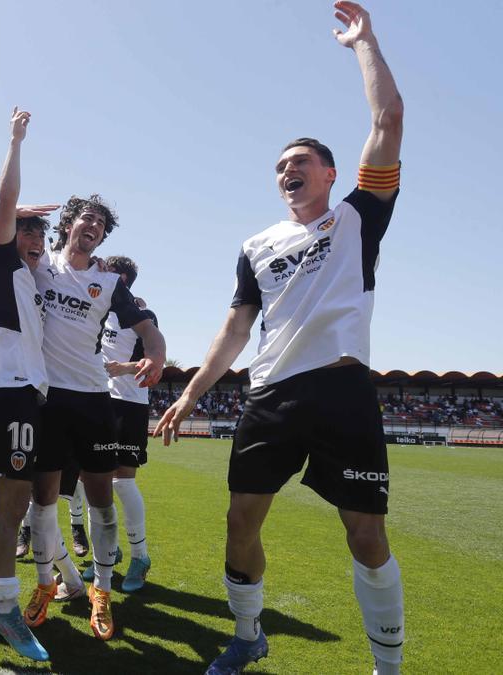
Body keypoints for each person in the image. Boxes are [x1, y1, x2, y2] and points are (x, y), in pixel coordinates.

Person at [154, 4, 404, 673]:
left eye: (300, 162)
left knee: (366, 533)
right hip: (270, 393)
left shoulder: (357, 219)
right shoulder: (257, 245)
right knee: (241, 519)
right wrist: (192, 394)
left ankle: (389, 666)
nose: (287, 170)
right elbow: (236, 326)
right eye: (279, 166)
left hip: (342, 389)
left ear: (328, 174)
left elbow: (387, 121)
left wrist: (364, 45)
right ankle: (246, 634)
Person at [25, 193, 165, 641]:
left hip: (92, 399)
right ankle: (48, 582)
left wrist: (156, 354)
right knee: (42, 499)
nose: (94, 227)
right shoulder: (41, 263)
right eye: (88, 218)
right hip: (47, 399)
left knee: (102, 497)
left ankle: (101, 590)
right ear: (69, 224)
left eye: (101, 225)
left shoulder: (108, 283)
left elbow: (146, 326)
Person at [0, 108, 51, 662]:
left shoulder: (28, 276)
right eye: (26, 228)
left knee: (11, 500)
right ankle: (4, 610)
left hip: (21, 392)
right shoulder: (0, 264)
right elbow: (0, 206)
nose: (32, 235)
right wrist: (16, 142)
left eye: (38, 230)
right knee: (13, 501)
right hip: (8, 391)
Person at [99, 255, 158, 593]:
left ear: (123, 279)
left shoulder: (141, 314)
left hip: (130, 404)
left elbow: (153, 356)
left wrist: (124, 367)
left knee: (122, 482)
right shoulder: (96, 308)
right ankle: (106, 552)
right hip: (95, 400)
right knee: (91, 482)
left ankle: (140, 556)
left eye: (108, 273)